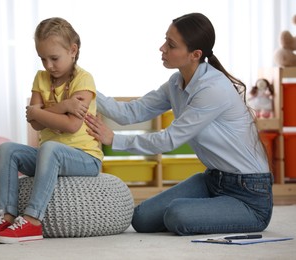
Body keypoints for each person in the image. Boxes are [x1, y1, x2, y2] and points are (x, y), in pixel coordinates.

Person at [85, 12, 273, 236]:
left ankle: (245, 215)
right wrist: (86, 88)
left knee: (177, 214)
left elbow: (169, 139)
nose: (162, 48)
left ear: (195, 54)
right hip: (213, 180)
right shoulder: (176, 83)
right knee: (142, 218)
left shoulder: (213, 88)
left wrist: (114, 140)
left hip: (249, 194)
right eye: (166, 40)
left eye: (171, 45)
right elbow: (130, 112)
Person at [0, 17, 103, 244]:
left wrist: (39, 111)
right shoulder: (41, 77)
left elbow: (70, 125)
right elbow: (35, 123)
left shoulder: (85, 80)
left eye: (54, 58)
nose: (48, 65)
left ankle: (33, 221)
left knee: (51, 148)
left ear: (73, 50)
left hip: (84, 158)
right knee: (6, 150)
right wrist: (63, 106)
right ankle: (6, 216)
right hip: (49, 155)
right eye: (42, 58)